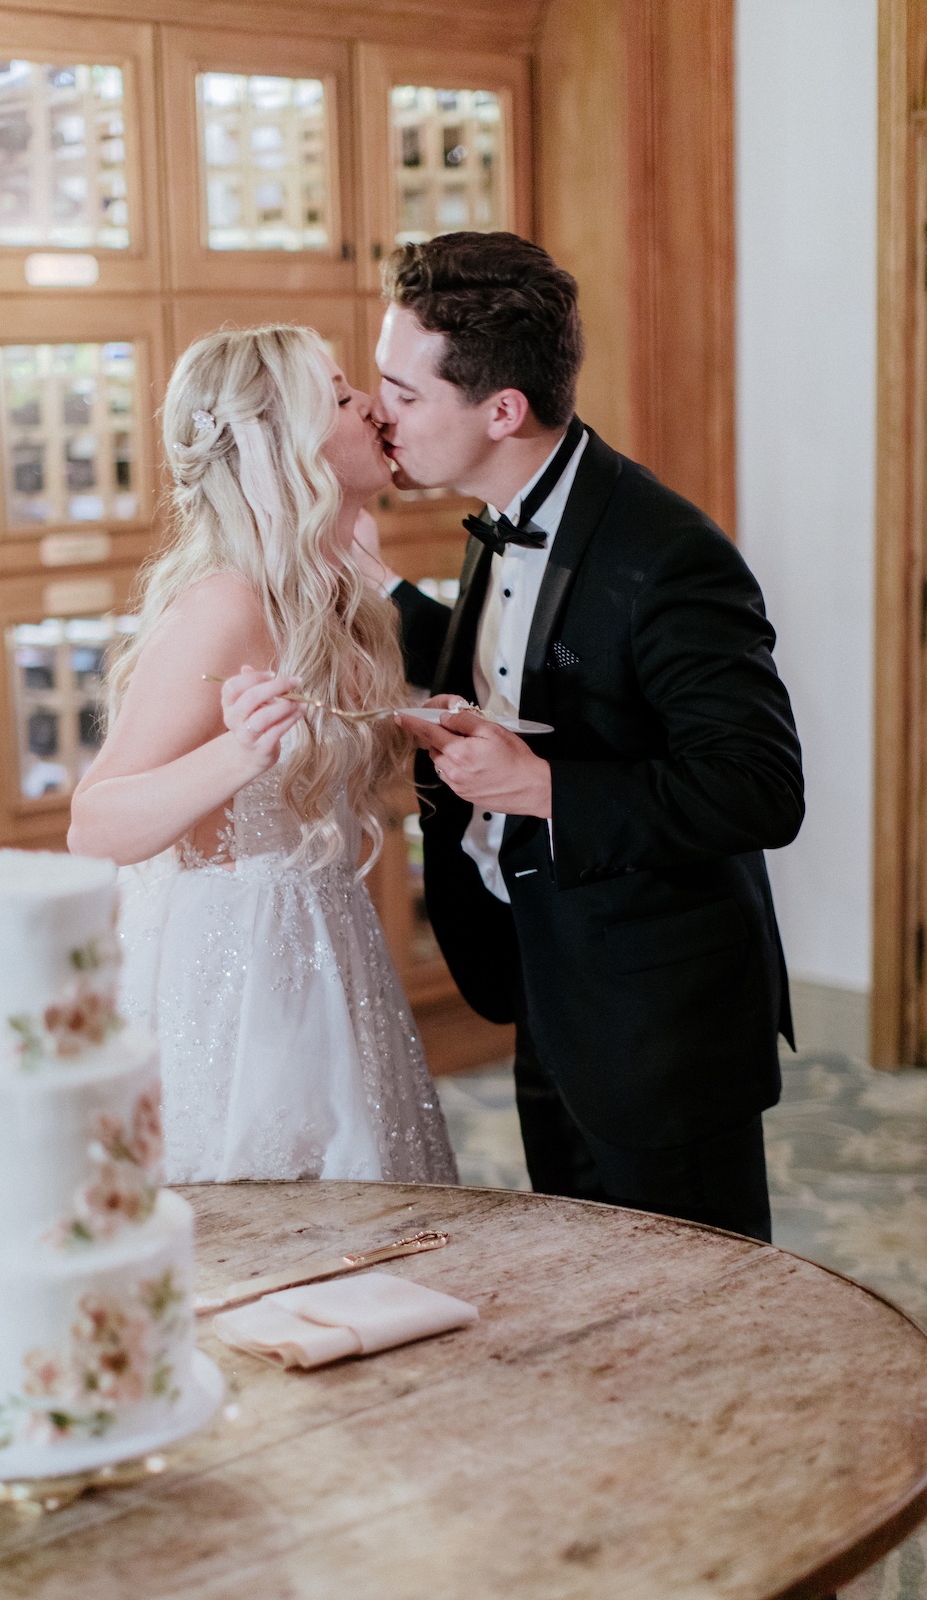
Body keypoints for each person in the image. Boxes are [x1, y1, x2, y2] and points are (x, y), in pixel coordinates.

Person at [360, 231, 803, 1242]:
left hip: (659, 1019)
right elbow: (521, 669)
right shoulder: (508, 507)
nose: (384, 413)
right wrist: (383, 592)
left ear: (501, 410)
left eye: (405, 390)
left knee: (695, 1318)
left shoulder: (672, 554)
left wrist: (545, 788)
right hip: (548, 978)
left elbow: (761, 787)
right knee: (588, 1297)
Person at [68, 325, 457, 1187]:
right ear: (285, 442)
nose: (370, 406)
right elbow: (93, 824)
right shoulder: (223, 606)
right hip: (238, 970)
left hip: (326, 945)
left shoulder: (338, 584)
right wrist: (240, 753)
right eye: (341, 392)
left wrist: (417, 721)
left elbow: (321, 750)